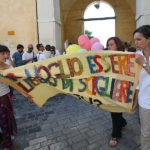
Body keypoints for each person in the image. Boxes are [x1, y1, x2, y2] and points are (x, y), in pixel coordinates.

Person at [106, 37, 127, 147]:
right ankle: (122, 122)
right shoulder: (106, 58)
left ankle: (115, 135)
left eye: (111, 44)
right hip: (110, 89)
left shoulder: (126, 58)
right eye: (108, 45)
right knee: (115, 112)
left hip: (121, 90)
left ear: (118, 46)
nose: (108, 47)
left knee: (115, 113)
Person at [133, 25, 150, 150]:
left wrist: (143, 63)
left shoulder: (140, 59)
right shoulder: (136, 55)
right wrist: (135, 102)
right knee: (146, 133)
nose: (136, 43)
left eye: (139, 39)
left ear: (148, 39)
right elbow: (137, 82)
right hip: (145, 102)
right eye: (135, 40)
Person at [0, 45, 17, 150]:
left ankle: (7, 145)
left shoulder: (9, 68)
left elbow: (16, 83)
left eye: (7, 53)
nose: (6, 56)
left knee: (4, 122)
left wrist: (27, 94)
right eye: (3, 53)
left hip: (3, 98)